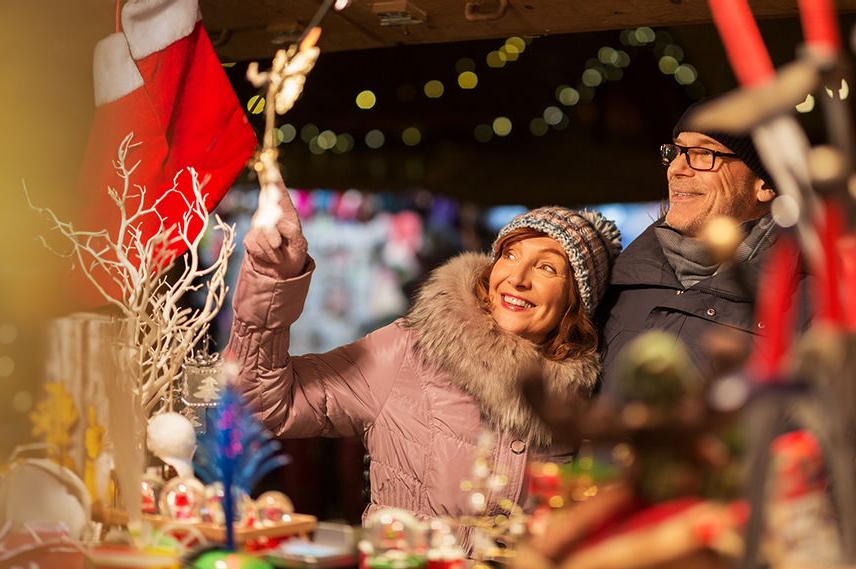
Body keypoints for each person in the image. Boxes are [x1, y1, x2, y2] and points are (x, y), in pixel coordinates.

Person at [224, 188, 622, 538]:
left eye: (547, 267)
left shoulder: (581, 403)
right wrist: (271, 280)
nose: (516, 278)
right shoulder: (410, 351)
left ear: (576, 302)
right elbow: (266, 404)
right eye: (510, 254)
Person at [598, 102, 785, 392]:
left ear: (764, 184)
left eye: (703, 153)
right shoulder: (616, 283)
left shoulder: (803, 300)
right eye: (677, 151)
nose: (676, 168)